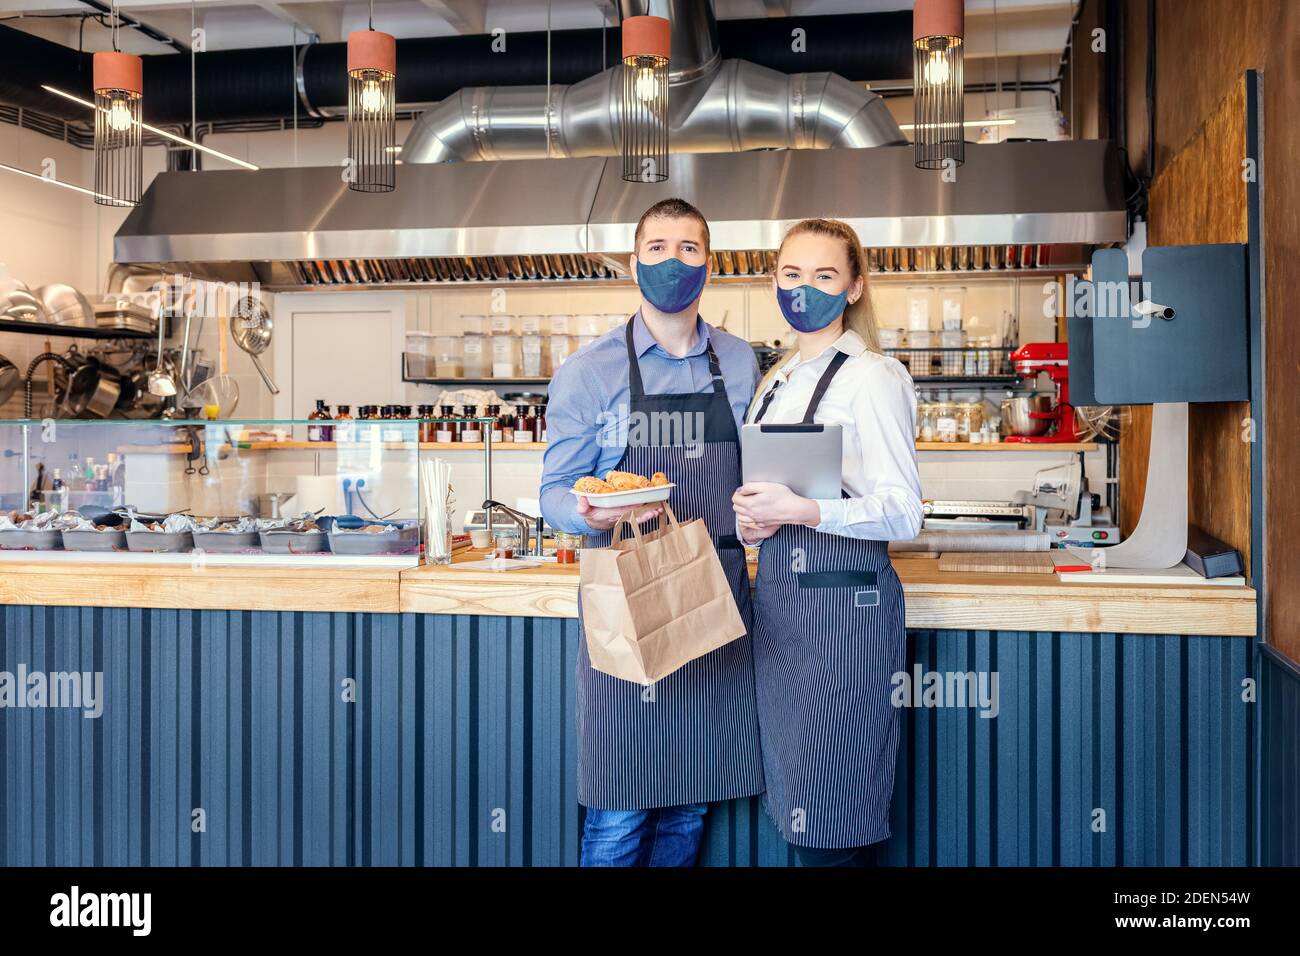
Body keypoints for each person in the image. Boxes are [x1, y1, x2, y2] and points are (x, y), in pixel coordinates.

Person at [540, 198, 764, 867]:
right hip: (627, 599)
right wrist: (592, 512)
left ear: (709, 264)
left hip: (715, 598)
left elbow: (755, 468)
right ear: (636, 262)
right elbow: (554, 492)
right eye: (659, 247)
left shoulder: (741, 360)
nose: (674, 261)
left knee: (688, 806)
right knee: (619, 811)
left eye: (689, 248)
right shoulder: (590, 371)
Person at [732, 218, 923, 868]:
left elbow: (904, 513)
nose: (803, 289)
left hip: (846, 619)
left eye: (823, 275)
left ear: (853, 288)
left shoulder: (874, 378)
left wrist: (806, 509)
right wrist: (755, 521)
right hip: (782, 614)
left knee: (838, 815)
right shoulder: (776, 381)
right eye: (791, 274)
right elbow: (770, 495)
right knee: (799, 810)